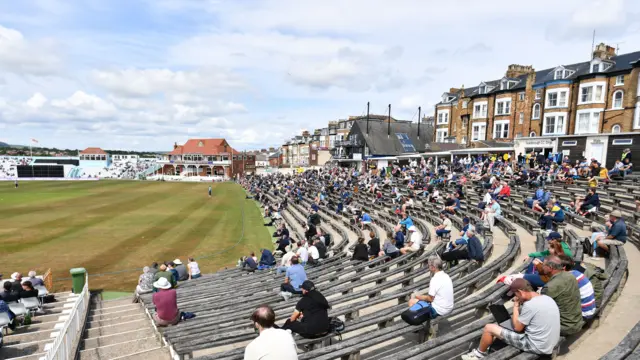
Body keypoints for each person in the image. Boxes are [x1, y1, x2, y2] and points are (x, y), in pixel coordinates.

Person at [462, 279, 560, 359]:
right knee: (504, 327)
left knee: (489, 328)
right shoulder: (547, 298)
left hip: (536, 346)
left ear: (520, 292)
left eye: (515, 294)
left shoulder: (530, 305)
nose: (515, 297)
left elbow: (517, 328)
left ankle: (478, 355)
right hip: (550, 342)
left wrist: (516, 306)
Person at [540, 256, 584, 335]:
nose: (542, 267)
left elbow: (541, 310)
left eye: (544, 265)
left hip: (565, 327)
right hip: (577, 320)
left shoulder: (550, 287)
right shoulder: (570, 276)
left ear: (550, 268)